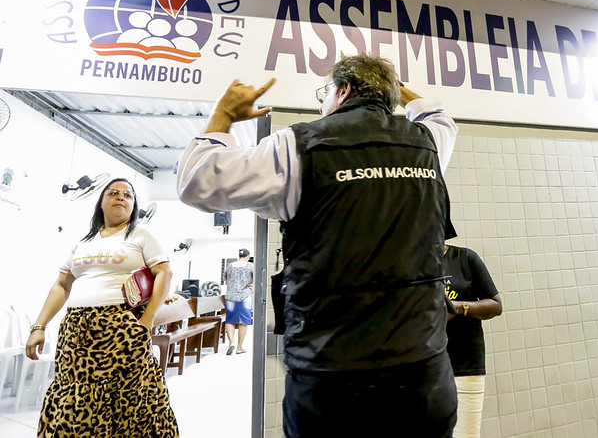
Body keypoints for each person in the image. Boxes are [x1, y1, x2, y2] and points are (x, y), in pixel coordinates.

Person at [177, 53, 459, 437]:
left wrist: (223, 115)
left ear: (342, 91)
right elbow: (436, 113)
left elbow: (196, 182)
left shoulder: (297, 146)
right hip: (425, 376)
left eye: (324, 93)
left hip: (333, 382)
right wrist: (390, 89)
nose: (321, 104)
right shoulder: (429, 144)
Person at [25, 178, 179, 438]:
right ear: (101, 202)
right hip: (76, 329)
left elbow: (164, 272)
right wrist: (39, 326)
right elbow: (61, 285)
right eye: (113, 193)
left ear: (133, 206)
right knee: (75, 395)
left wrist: (146, 322)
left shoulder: (140, 235)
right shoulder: (83, 242)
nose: (120, 197)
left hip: (120, 325)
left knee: (130, 396)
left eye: (128, 195)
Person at [442, 244, 503, 438]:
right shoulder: (409, 261)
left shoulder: (465, 258)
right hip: (423, 367)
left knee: (466, 433)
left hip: (465, 365)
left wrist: (459, 307)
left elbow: (495, 305)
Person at [224, 247, 255, 355]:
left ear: (239, 256)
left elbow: (225, 279)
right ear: (248, 257)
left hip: (230, 296)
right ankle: (239, 347)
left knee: (230, 320)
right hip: (245, 296)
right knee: (243, 322)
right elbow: (256, 279)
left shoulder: (229, 265)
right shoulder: (251, 266)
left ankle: (231, 343)